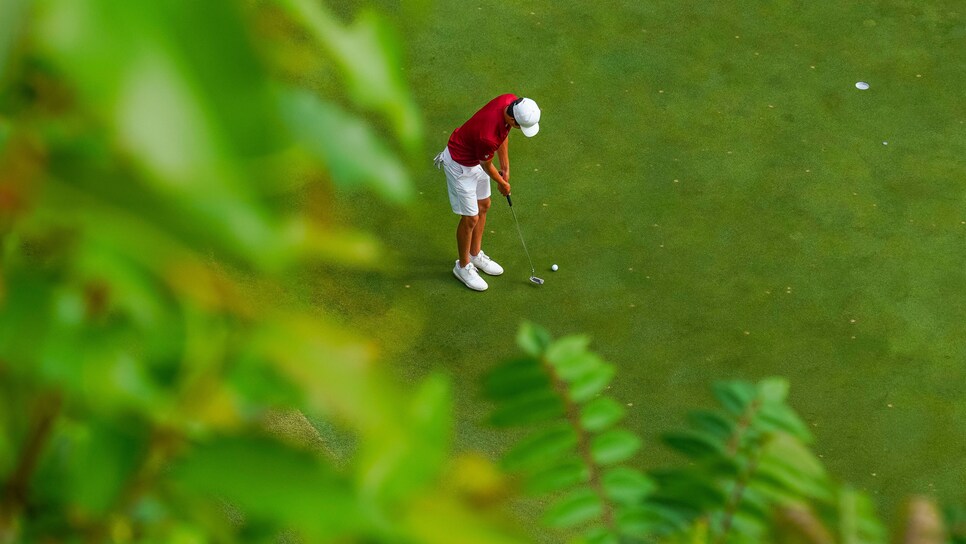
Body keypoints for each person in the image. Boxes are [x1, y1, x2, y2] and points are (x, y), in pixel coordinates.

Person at [433, 94, 541, 291]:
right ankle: (463, 266)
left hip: (476, 158)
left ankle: (475, 254)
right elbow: (486, 164)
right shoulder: (487, 137)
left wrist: (506, 167)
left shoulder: (509, 101)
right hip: (460, 165)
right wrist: (502, 183)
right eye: (519, 126)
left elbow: (503, 135)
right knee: (470, 218)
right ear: (513, 118)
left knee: (485, 204)